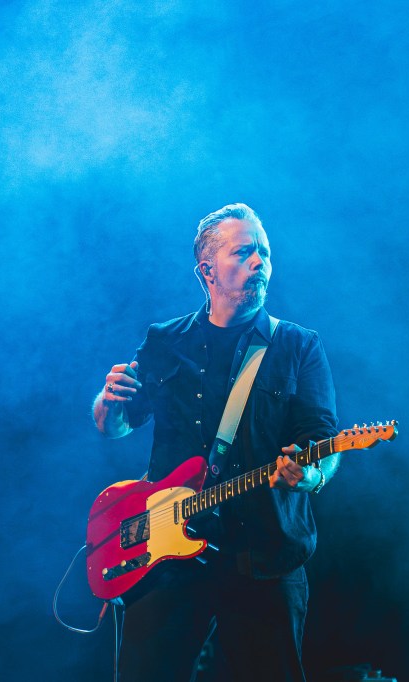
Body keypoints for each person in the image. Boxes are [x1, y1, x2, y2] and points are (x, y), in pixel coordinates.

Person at [92, 203, 340, 681]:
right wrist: (108, 401)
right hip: (167, 556)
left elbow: (323, 440)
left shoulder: (297, 345)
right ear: (207, 270)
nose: (259, 262)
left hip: (263, 555)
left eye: (264, 252)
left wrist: (311, 475)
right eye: (244, 252)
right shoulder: (164, 340)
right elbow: (116, 426)